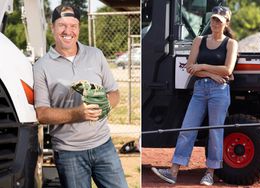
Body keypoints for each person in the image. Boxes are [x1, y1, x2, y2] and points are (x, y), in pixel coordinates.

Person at [33, 4, 128, 188]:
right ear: (52, 28)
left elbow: (114, 93)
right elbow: (42, 114)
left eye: (73, 25)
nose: (68, 31)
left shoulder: (96, 55)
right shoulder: (41, 66)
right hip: (69, 152)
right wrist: (79, 113)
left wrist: (104, 104)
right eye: (62, 25)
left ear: (79, 28)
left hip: (104, 146)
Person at [151, 6, 238, 186]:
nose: (215, 23)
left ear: (226, 23)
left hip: (219, 92)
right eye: (213, 19)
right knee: (187, 129)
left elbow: (228, 70)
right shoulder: (199, 40)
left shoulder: (230, 43)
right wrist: (210, 74)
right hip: (200, 89)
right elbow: (191, 67)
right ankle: (173, 171)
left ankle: (209, 173)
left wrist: (202, 67)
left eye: (219, 21)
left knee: (215, 131)